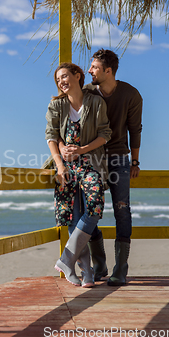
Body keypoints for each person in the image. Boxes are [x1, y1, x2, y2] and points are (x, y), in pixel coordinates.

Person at [61, 49, 143, 286]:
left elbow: (135, 129)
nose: (90, 71)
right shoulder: (86, 92)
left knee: (122, 209)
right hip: (91, 158)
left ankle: (121, 268)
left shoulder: (131, 94)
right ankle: (99, 264)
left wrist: (135, 161)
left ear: (108, 71)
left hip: (118, 157)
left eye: (94, 67)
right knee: (90, 211)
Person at [45, 62, 111, 287]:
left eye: (64, 76)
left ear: (77, 75)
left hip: (91, 163)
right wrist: (60, 164)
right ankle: (87, 273)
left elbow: (105, 134)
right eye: (57, 80)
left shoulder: (95, 102)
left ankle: (66, 259)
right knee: (72, 216)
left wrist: (82, 149)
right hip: (66, 167)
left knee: (94, 207)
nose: (61, 82)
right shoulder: (56, 105)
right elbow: (51, 136)